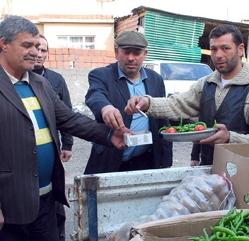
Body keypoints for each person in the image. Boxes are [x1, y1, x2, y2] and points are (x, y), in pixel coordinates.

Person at [0, 15, 128, 241]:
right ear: (3, 44)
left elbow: (69, 119)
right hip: (10, 207)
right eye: (27, 45)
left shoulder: (40, 84)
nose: (35, 52)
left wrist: (110, 135)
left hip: (47, 201)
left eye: (37, 46)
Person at [125, 24, 249, 166]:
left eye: (225, 48)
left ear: (240, 50)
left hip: (244, 173)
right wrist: (148, 103)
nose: (218, 55)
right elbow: (177, 104)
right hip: (210, 170)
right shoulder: (205, 83)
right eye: (214, 49)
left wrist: (230, 138)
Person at [84, 30, 173, 174]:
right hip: (112, 157)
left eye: (137, 53)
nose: (131, 58)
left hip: (147, 159)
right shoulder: (101, 75)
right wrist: (105, 108)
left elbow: (163, 120)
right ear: (116, 52)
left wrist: (166, 159)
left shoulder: (156, 79)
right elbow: (95, 94)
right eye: (126, 52)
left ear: (145, 54)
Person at [33, 34, 73, 241]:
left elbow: (67, 115)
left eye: (43, 50)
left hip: (52, 153)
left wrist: (67, 144)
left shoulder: (55, 80)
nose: (38, 54)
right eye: (34, 48)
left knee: (55, 206)